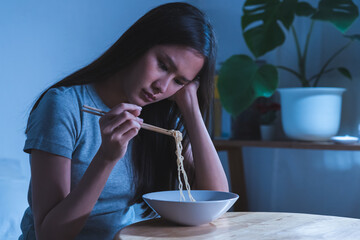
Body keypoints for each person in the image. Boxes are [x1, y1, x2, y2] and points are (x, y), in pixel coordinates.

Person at [19, 2, 229, 240]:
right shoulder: (64, 106)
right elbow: (50, 235)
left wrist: (191, 109)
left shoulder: (161, 115)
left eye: (179, 81)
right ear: (139, 44)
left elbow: (217, 200)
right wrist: (106, 158)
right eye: (162, 65)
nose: (162, 87)